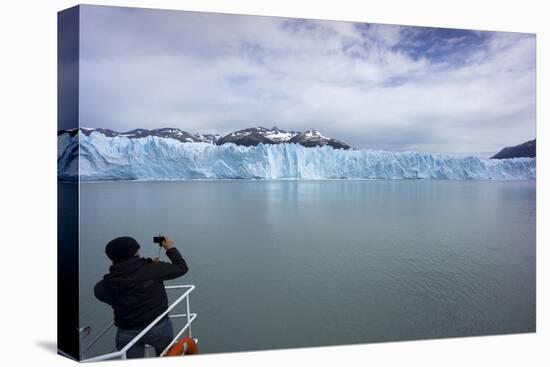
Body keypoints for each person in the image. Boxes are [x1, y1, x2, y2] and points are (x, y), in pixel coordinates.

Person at [94, 236, 189, 358]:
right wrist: (170, 248)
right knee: (166, 357)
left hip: (126, 332)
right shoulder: (153, 270)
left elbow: (103, 292)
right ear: (136, 252)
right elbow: (181, 268)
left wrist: (147, 264)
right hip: (158, 327)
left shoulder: (106, 285)